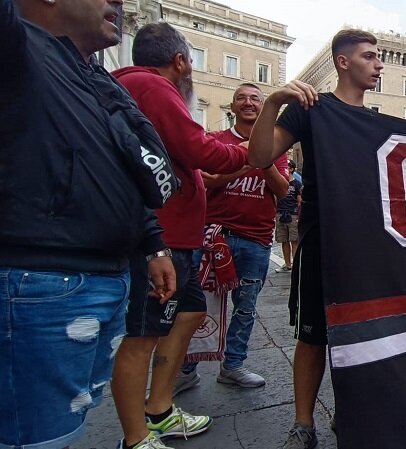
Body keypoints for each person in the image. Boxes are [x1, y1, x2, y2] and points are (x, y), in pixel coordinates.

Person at [0, 1, 177, 448]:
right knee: (37, 438)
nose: (115, 3)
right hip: (41, 281)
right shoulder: (16, 48)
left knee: (69, 426)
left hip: (103, 277)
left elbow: (124, 169)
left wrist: (154, 244)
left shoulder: (92, 76)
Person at [247, 28, 390, 449]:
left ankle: (351, 412)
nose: (378, 64)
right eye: (369, 56)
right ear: (343, 62)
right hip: (322, 236)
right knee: (312, 335)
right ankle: (303, 424)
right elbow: (258, 157)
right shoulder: (311, 110)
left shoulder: (375, 122)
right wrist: (272, 102)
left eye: (378, 57)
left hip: (368, 243)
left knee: (362, 332)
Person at [111, 22, 249, 449]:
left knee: (188, 314)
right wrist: (251, 151)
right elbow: (199, 150)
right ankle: (136, 437)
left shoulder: (143, 87)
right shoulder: (151, 87)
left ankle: (160, 408)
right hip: (162, 239)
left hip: (180, 237)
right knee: (142, 335)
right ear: (181, 61)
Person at [176, 83, 290, 389]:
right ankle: (186, 369)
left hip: (255, 238)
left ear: (265, 107)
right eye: (242, 98)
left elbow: (282, 190)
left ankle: (234, 365)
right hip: (212, 236)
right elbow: (204, 181)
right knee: (197, 307)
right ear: (233, 106)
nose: (248, 103)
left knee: (246, 307)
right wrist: (248, 162)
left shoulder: (278, 146)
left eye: (255, 98)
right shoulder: (214, 140)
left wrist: (261, 158)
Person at [276, 160, 303, 273]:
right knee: (283, 240)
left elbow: (299, 201)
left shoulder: (297, 184)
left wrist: (298, 215)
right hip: (280, 213)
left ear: (291, 169)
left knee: (294, 240)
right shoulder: (279, 182)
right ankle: (287, 264)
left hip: (292, 214)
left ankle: (296, 264)